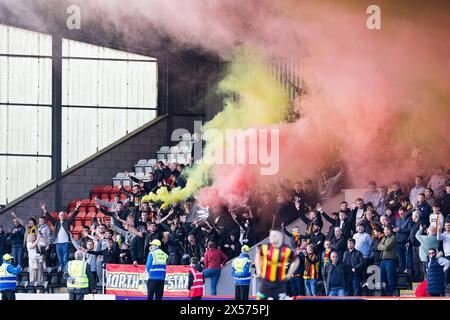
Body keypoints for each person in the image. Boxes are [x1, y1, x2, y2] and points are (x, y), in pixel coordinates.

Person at [255, 229, 299, 300]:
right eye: (271, 235)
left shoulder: (286, 249)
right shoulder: (265, 247)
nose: (272, 237)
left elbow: (296, 260)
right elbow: (257, 257)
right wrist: (258, 270)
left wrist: (289, 273)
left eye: (274, 235)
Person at [41, 201, 81, 271]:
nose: (62, 216)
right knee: (59, 257)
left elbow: (73, 216)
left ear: (64, 216)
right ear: (58, 216)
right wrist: (44, 209)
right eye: (60, 215)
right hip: (58, 243)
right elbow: (50, 217)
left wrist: (76, 208)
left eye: (63, 215)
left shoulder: (67, 222)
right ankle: (61, 267)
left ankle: (65, 269)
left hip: (65, 242)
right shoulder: (56, 223)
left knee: (65, 257)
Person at [377, 226, 397, 295]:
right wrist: (383, 246)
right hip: (383, 260)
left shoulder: (393, 237)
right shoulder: (384, 237)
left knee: (390, 277)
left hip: (390, 260)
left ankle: (390, 293)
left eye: (385, 230)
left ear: (389, 230)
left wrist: (383, 246)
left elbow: (387, 247)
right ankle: (383, 292)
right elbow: (378, 246)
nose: (384, 231)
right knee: (382, 276)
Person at [394, 207, 413, 273]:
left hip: (406, 242)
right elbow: (395, 226)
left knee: (408, 259)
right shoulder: (398, 218)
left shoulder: (410, 219)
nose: (401, 215)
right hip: (398, 241)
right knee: (401, 259)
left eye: (402, 214)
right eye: (399, 214)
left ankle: (409, 274)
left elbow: (410, 229)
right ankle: (402, 275)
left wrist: (400, 230)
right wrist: (394, 229)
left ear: (406, 212)